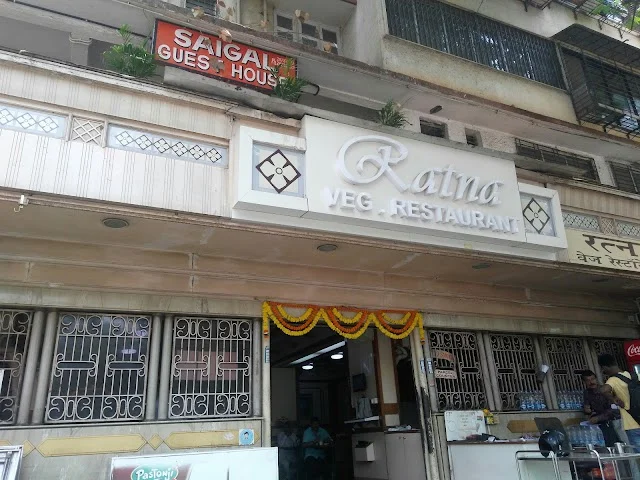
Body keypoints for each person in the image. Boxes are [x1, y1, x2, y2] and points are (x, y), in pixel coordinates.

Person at [598, 354, 640, 447]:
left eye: (602, 369)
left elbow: (603, 390)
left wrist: (613, 398)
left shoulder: (613, 380)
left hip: (631, 424)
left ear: (604, 367)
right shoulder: (634, 375)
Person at [581, 370, 621, 446]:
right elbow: (588, 408)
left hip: (614, 421)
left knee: (618, 444)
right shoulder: (587, 393)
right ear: (584, 382)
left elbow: (614, 409)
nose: (591, 382)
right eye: (588, 380)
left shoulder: (605, 390)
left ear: (596, 379)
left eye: (592, 379)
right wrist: (587, 411)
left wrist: (598, 418)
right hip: (600, 424)